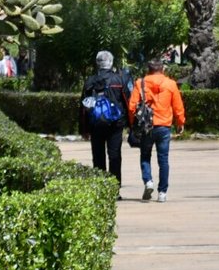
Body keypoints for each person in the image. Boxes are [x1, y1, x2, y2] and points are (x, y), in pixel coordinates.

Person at [130, 57, 186, 203]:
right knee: (163, 160)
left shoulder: (139, 83)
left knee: (145, 155)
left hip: (146, 126)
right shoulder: (170, 84)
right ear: (162, 69)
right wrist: (180, 122)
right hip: (164, 126)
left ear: (148, 70)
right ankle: (162, 193)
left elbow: (132, 106)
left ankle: (148, 181)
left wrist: (132, 124)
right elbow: (178, 106)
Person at [80, 51, 132, 194]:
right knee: (114, 155)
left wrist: (84, 129)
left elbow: (83, 107)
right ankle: (114, 190)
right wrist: (130, 123)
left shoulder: (90, 81)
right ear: (111, 63)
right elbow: (128, 102)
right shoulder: (118, 80)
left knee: (98, 156)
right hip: (116, 124)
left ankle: (100, 189)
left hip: (95, 124)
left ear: (97, 63)